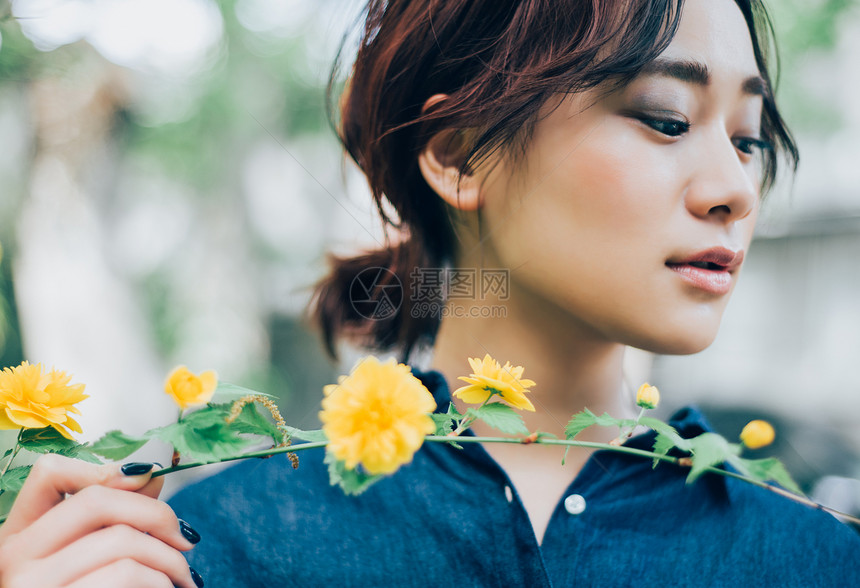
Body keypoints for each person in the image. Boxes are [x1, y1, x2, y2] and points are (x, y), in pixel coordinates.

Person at [1, 0, 858, 586]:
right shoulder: (216, 547)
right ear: (457, 155)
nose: (737, 189)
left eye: (747, 138)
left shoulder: (813, 556)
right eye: (668, 118)